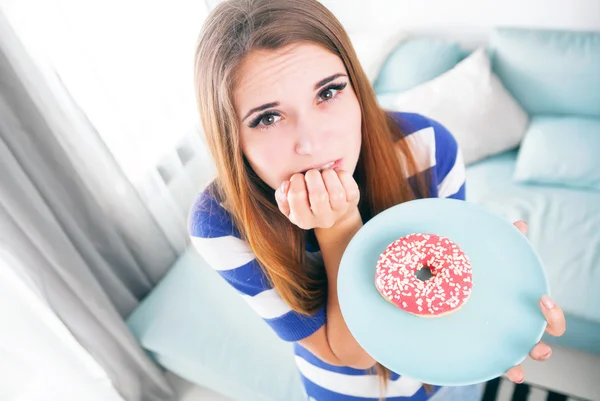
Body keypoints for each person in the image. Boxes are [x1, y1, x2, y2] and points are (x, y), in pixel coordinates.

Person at [188, 0, 566, 399]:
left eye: (329, 92)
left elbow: (441, 275)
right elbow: (350, 353)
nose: (313, 142)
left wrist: (504, 302)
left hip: (435, 369)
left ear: (356, 86)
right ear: (231, 137)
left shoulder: (428, 148)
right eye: (267, 118)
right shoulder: (220, 223)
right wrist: (338, 227)